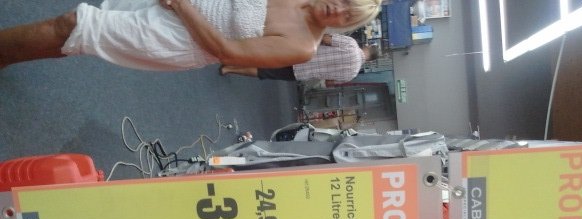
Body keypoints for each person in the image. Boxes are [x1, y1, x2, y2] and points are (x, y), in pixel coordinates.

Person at [0, 0, 381, 71]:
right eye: (345, 0)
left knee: (75, 25)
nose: (338, 8)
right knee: (80, 37)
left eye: (348, 15)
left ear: (345, 25)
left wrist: (183, 7)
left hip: (182, 40)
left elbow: (227, 52)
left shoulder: (303, 46)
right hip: (180, 5)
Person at [220, 33, 379, 88]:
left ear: (368, 46)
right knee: (265, 72)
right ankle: (229, 69)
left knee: (267, 53)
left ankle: (234, 55)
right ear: (370, 61)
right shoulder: (352, 74)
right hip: (302, 73)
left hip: (300, 54)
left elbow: (325, 39)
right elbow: (329, 82)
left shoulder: (351, 44)